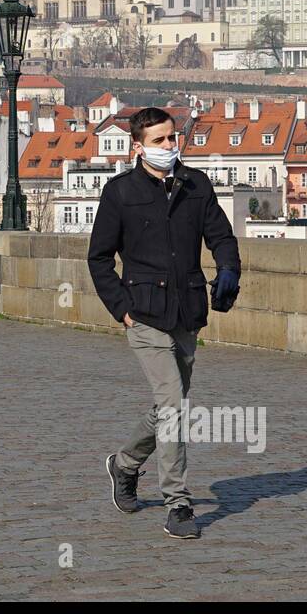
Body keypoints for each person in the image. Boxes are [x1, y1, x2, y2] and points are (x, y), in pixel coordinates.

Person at [87, 107, 241, 540]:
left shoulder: (196, 184)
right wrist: (121, 307)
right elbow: (99, 258)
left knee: (168, 408)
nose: (169, 147)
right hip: (144, 313)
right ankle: (179, 502)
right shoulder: (120, 193)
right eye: (159, 141)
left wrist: (228, 268)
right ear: (138, 147)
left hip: (187, 311)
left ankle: (124, 463)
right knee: (173, 405)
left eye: (172, 138)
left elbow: (222, 236)